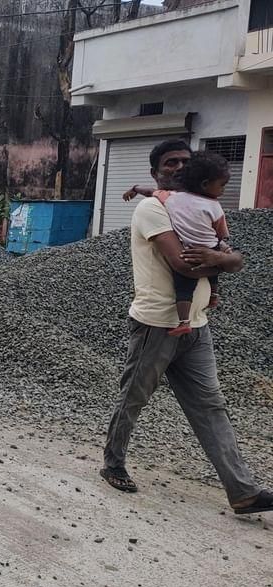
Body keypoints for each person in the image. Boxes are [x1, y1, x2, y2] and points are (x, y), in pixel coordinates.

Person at [101, 139, 272, 515]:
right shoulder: (151, 208)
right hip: (156, 324)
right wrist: (224, 262)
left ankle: (243, 492)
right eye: (169, 163)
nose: (179, 167)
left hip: (196, 326)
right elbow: (184, 265)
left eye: (185, 161)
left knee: (211, 405)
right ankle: (113, 461)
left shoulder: (201, 207)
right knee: (135, 396)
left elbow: (232, 254)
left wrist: (226, 260)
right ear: (155, 173)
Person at [150, 152, 232, 336]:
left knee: (183, 288)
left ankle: (183, 321)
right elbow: (221, 232)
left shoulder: (171, 198)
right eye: (222, 185)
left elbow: (152, 192)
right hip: (211, 247)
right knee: (212, 273)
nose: (223, 190)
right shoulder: (215, 206)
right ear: (205, 184)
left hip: (191, 251)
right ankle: (213, 296)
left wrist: (134, 189)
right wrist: (223, 254)